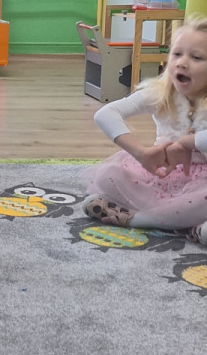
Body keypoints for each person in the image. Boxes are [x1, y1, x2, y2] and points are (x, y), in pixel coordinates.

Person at [83, 15, 207, 238]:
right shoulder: (159, 93)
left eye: (196, 57)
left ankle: (135, 220)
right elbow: (106, 114)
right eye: (177, 54)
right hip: (164, 175)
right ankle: (187, 224)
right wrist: (141, 153)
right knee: (108, 175)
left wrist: (186, 143)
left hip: (203, 183)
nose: (182, 62)